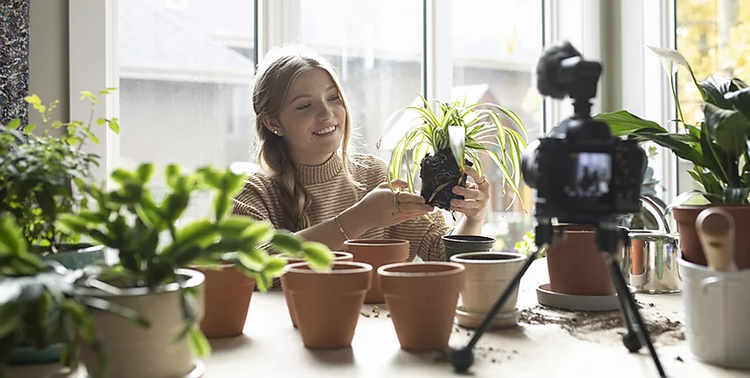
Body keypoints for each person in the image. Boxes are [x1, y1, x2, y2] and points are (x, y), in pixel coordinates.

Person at [232, 44, 491, 262]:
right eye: (305, 105)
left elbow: (443, 255)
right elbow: (251, 267)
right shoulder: (252, 193)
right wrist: (359, 218)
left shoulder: (374, 176)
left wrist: (474, 216)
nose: (327, 114)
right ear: (273, 123)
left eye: (333, 98)